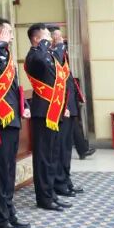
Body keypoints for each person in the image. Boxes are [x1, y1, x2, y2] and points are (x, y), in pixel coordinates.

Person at [0, 17, 30, 228]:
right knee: (0, 171)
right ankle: (0, 218)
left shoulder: (6, 54)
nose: (12, 36)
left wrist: (24, 106)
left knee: (10, 170)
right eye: (8, 32)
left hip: (12, 118)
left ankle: (10, 212)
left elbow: (14, 87)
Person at [25, 23, 68, 211]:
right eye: (45, 36)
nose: (50, 39)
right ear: (36, 39)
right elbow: (41, 62)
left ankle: (51, 193)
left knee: (52, 155)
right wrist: (44, 45)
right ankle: (43, 198)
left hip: (53, 111)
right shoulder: (34, 56)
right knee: (43, 158)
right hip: (42, 113)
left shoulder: (47, 55)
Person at [49, 27, 81, 196]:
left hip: (69, 106)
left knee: (67, 148)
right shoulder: (49, 56)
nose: (61, 40)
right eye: (57, 37)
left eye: (61, 37)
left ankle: (66, 180)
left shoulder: (61, 54)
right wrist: (59, 48)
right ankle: (59, 182)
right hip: (60, 108)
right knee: (60, 148)